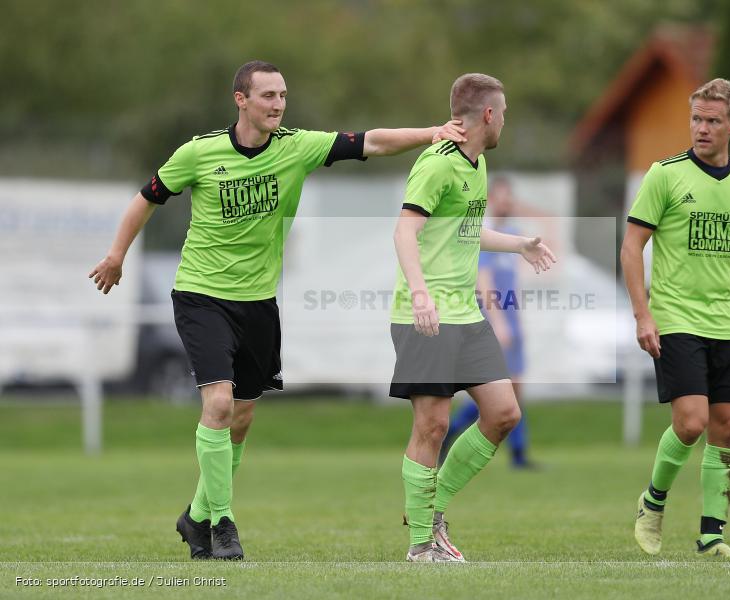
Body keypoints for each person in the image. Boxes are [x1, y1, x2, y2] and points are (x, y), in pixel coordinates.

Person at [88, 60, 466, 561]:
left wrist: (431, 133)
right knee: (218, 404)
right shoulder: (199, 153)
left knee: (240, 418)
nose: (279, 104)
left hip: (259, 303)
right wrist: (117, 255)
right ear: (240, 100)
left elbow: (369, 142)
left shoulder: (296, 147)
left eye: (283, 95)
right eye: (268, 95)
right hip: (201, 295)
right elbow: (146, 198)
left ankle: (196, 515)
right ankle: (223, 525)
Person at [390, 73, 556, 562]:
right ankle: (422, 544)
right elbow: (404, 233)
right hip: (428, 313)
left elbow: (466, 231)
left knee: (504, 413)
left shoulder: (477, 163)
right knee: (432, 427)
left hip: (465, 312)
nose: (505, 120)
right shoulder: (436, 163)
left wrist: (519, 243)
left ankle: (430, 507)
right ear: (487, 114)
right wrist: (421, 294)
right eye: (503, 112)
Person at [620, 78, 730, 558]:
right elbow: (632, 247)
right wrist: (642, 313)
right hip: (675, 317)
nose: (702, 129)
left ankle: (712, 535)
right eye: (696, 119)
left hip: (728, 321)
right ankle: (652, 503)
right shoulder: (664, 175)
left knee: (727, 427)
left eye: (713, 121)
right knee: (691, 422)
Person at [441, 176, 536, 469]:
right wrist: (498, 322)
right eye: (501, 196)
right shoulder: (483, 233)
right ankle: (451, 432)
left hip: (511, 319)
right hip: (493, 321)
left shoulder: (515, 234)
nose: (506, 201)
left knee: (515, 389)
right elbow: (483, 282)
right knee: (499, 392)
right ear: (490, 199)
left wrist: (516, 319)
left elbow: (514, 281)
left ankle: (518, 454)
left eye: (510, 196)